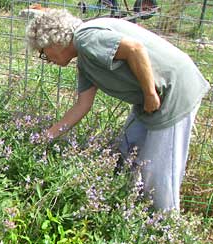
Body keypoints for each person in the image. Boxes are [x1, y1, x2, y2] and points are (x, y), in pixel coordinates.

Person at [25, 8, 210, 211]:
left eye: (44, 53)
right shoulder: (85, 60)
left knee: (159, 173)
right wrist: (46, 137)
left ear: (55, 42)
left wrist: (149, 94)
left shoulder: (86, 39)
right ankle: (128, 210)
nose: (46, 59)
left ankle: (166, 227)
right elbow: (82, 105)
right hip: (152, 99)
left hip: (174, 91)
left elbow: (134, 48)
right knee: (127, 151)